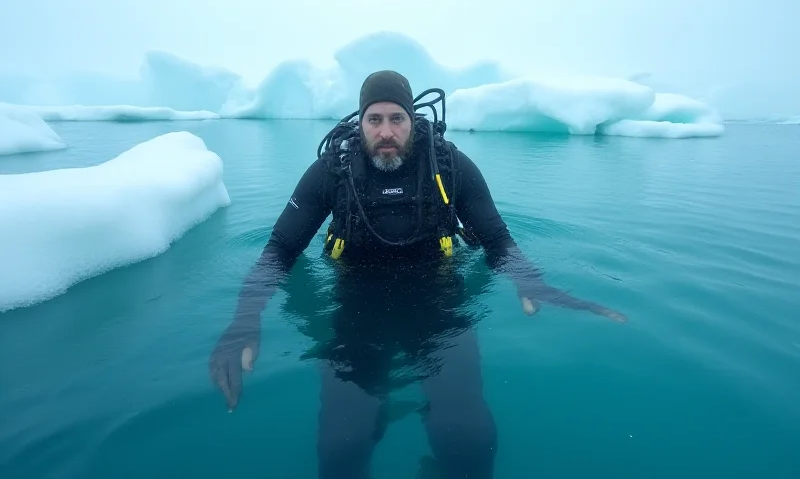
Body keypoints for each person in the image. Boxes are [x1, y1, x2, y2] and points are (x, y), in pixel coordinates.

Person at [209, 70, 627, 478]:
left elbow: (497, 239)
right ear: (361, 123)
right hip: (355, 305)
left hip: (439, 305)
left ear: (412, 121)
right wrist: (245, 318)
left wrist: (528, 280)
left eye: (397, 119)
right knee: (342, 448)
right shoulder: (332, 172)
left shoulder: (450, 166)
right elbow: (280, 249)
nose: (386, 131)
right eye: (375, 119)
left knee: (470, 441)